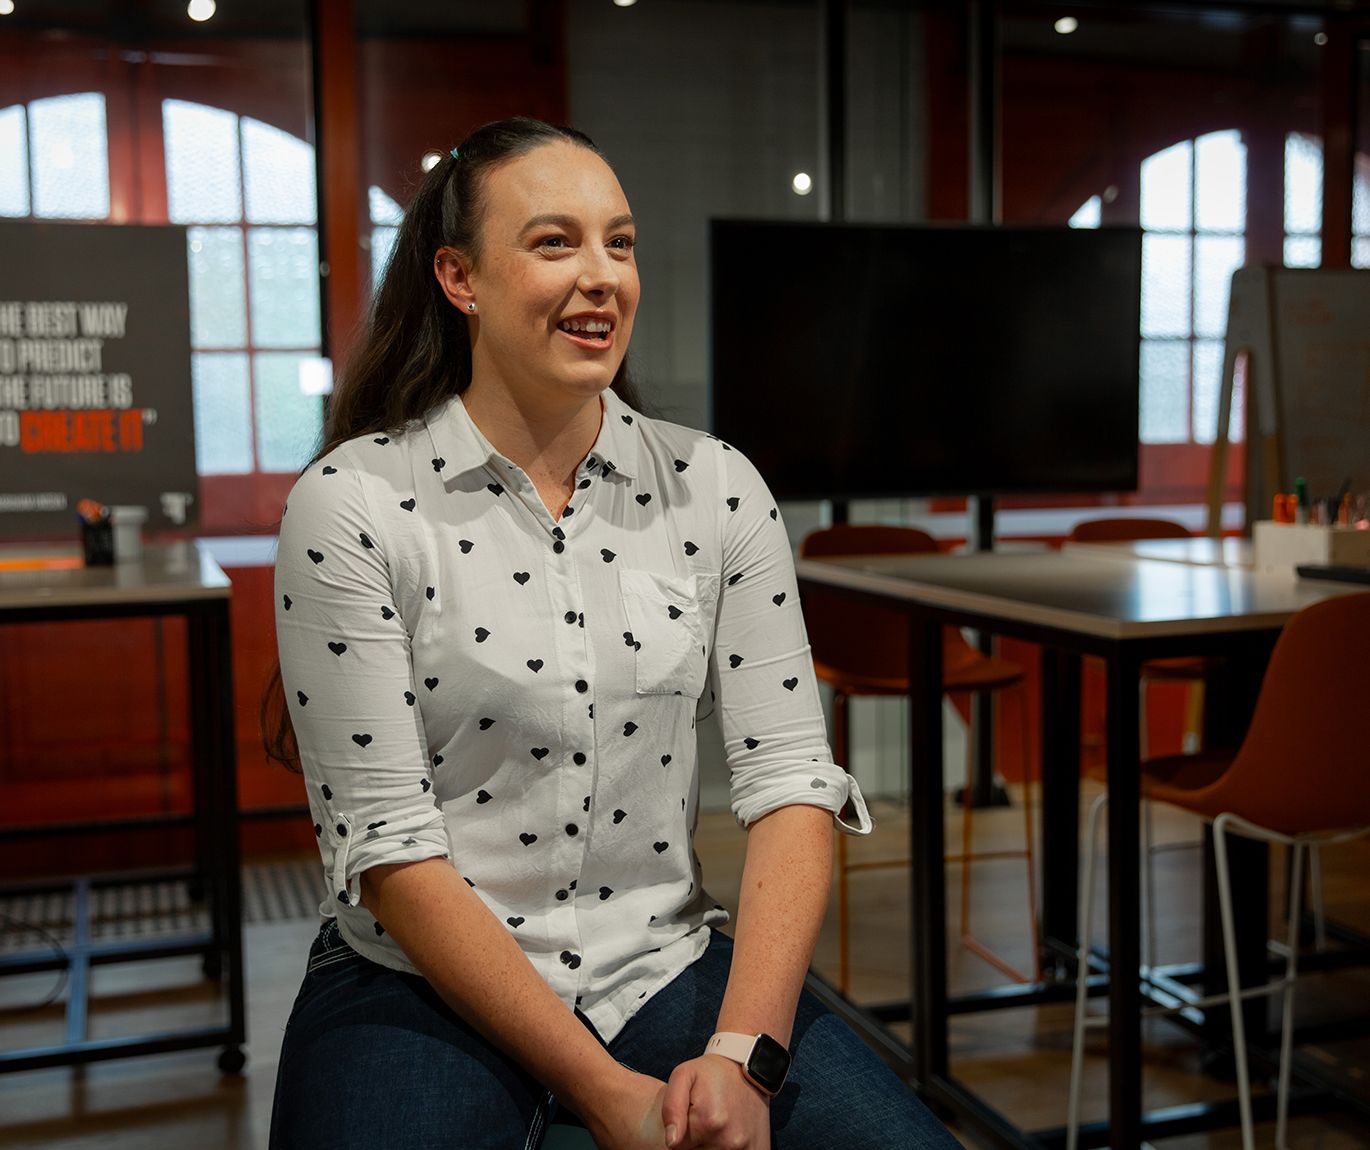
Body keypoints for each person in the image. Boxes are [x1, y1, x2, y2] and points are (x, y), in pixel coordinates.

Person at [265, 116, 960, 1150]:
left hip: (659, 963)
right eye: (554, 243)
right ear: (460, 277)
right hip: (415, 981)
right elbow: (390, 853)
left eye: (619, 243)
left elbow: (789, 785)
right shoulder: (354, 502)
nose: (601, 276)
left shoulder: (714, 488)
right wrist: (604, 1090)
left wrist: (742, 1057)